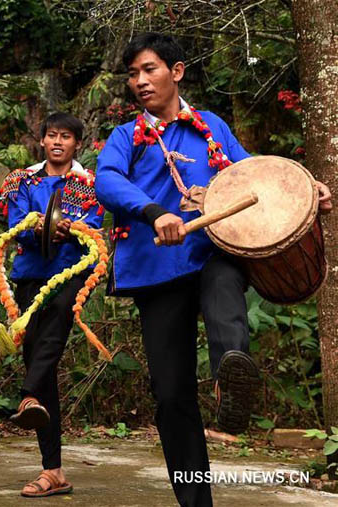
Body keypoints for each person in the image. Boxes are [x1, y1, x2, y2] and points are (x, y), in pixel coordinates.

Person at [94, 32, 332, 506]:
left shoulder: (211, 126)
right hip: (157, 269)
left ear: (176, 71)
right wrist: (153, 212)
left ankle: (230, 375)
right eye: (133, 74)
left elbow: (253, 176)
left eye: (150, 70)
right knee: (171, 395)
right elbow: (106, 179)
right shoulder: (126, 137)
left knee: (226, 283)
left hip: (211, 249)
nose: (140, 81)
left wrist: (307, 191)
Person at [0, 112, 104, 498]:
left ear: (77, 143)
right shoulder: (21, 180)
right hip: (29, 274)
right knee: (41, 362)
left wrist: (66, 228)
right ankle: (53, 471)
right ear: (42, 140)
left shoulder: (90, 184)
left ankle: (25, 392)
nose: (58, 142)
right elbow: (16, 220)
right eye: (52, 135)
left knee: (58, 320)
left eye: (66, 137)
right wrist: (40, 224)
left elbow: (90, 223)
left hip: (72, 272)